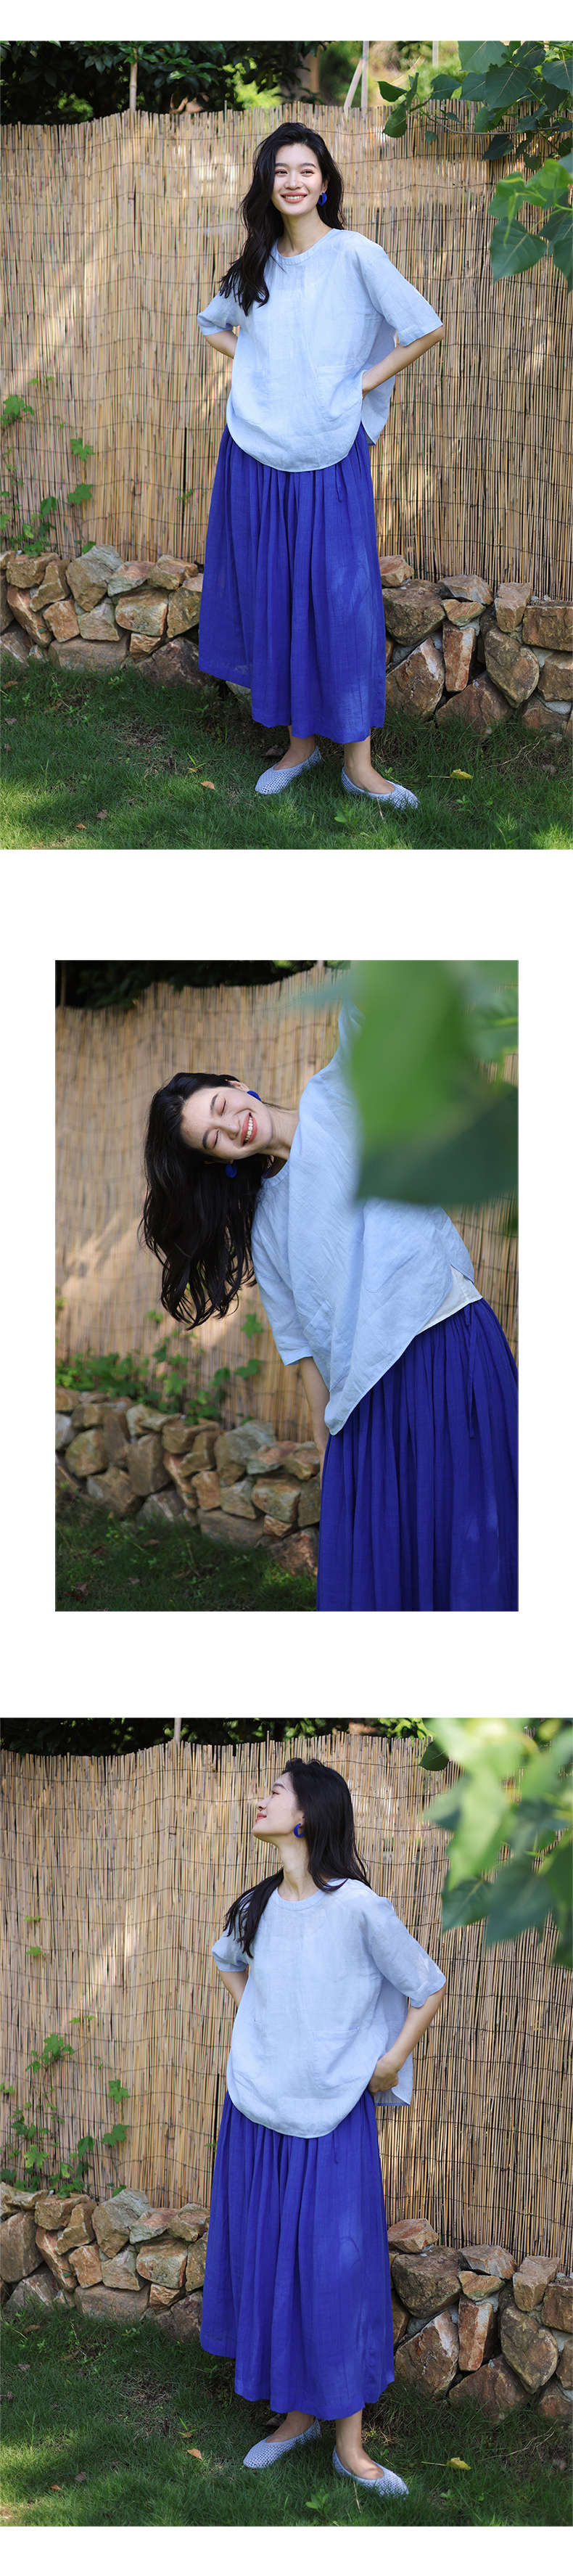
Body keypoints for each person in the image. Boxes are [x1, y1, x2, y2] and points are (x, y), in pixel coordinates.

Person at [139, 998, 519, 1610]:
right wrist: (327, 1445)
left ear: (234, 1085)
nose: (231, 1127)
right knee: (399, 1568)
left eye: (221, 1107)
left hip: (446, 1340)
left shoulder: (336, 1096)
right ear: (217, 1162)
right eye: (214, 1139)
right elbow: (301, 1345)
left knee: (480, 1534)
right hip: (370, 1396)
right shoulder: (267, 1227)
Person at [199, 1757, 446, 2495]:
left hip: (333, 2120)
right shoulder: (257, 1905)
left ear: (307, 1813)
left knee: (336, 2274)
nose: (261, 1799)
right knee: (277, 2263)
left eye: (275, 1791)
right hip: (258, 2114)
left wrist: (390, 2061)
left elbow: (426, 1985)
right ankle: (296, 2417)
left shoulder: (359, 1907)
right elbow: (226, 1960)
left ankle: (351, 2446)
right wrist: (257, 2022)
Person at [196, 122, 444, 813]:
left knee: (343, 604)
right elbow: (211, 324)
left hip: (331, 454)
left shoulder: (355, 254)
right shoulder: (256, 265)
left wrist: (360, 383)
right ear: (267, 185)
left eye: (306, 170)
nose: (294, 181)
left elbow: (425, 327)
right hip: (257, 454)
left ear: (325, 182)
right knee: (278, 600)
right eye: (281, 171)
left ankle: (359, 766)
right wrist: (261, 368)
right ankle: (299, 746)